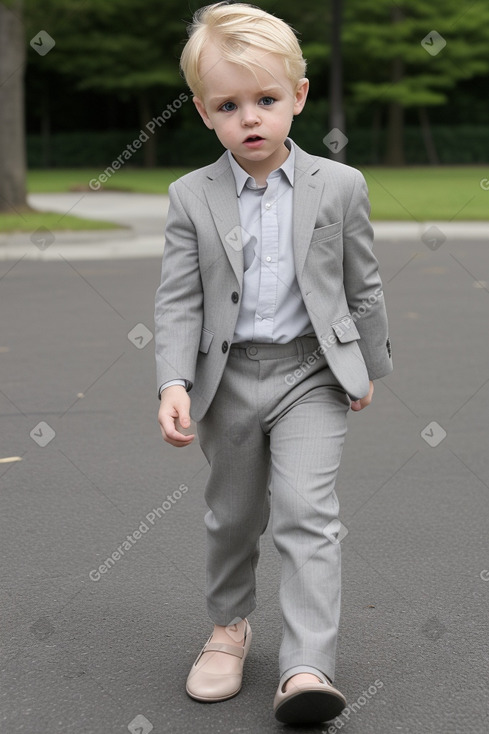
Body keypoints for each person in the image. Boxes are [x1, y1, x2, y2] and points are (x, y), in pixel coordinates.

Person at [154, 1, 392, 725]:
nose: (248, 119)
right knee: (232, 515)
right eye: (228, 105)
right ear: (203, 112)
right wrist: (172, 380)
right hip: (226, 383)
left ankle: (307, 665)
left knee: (306, 513)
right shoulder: (190, 196)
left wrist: (365, 370)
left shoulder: (339, 186)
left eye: (264, 100)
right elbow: (178, 302)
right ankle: (228, 630)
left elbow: (363, 282)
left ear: (298, 96)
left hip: (311, 376)